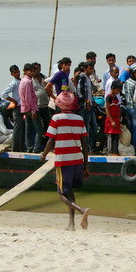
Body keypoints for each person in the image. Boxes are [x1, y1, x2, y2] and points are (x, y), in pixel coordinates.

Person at [41, 91, 91, 231]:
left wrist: (44, 154)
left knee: (61, 193)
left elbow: (51, 140)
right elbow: (85, 144)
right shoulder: (79, 119)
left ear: (59, 104)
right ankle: (71, 224)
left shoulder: (56, 118)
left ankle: (82, 210)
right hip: (77, 160)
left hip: (64, 160)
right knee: (70, 192)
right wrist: (86, 165)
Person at [19, 63, 43, 153]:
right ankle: (36, 149)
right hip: (30, 108)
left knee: (28, 129)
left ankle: (29, 147)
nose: (32, 73)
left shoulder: (23, 80)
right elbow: (28, 98)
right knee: (38, 130)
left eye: (33, 71)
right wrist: (33, 110)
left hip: (25, 108)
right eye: (31, 71)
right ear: (25, 71)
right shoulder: (28, 82)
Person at [1, 64, 25, 152]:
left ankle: (22, 147)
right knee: (17, 129)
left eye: (17, 72)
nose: (17, 74)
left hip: (24, 107)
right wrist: (13, 101)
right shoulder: (13, 83)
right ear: (12, 74)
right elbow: (4, 94)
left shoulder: (22, 80)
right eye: (14, 73)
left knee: (23, 128)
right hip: (17, 108)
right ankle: (15, 149)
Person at [122, 64, 136, 155]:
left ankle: (131, 148)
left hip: (128, 108)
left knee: (131, 129)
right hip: (135, 108)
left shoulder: (126, 82)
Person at [104, 80, 123, 155]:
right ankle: (113, 151)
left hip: (116, 119)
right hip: (111, 119)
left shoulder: (115, 97)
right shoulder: (109, 97)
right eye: (117, 90)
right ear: (113, 88)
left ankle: (115, 151)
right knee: (113, 136)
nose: (118, 92)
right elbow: (107, 109)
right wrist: (111, 121)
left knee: (116, 136)